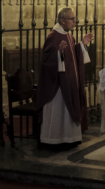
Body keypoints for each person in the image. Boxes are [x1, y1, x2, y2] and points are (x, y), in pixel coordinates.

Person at [37, 8, 94, 147]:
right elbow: (46, 61)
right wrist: (58, 54)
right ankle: (54, 140)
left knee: (68, 111)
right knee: (59, 112)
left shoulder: (69, 36)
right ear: (62, 20)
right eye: (72, 19)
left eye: (75, 18)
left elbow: (73, 55)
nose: (75, 22)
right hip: (57, 86)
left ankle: (70, 138)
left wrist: (82, 45)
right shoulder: (53, 36)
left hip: (69, 81)